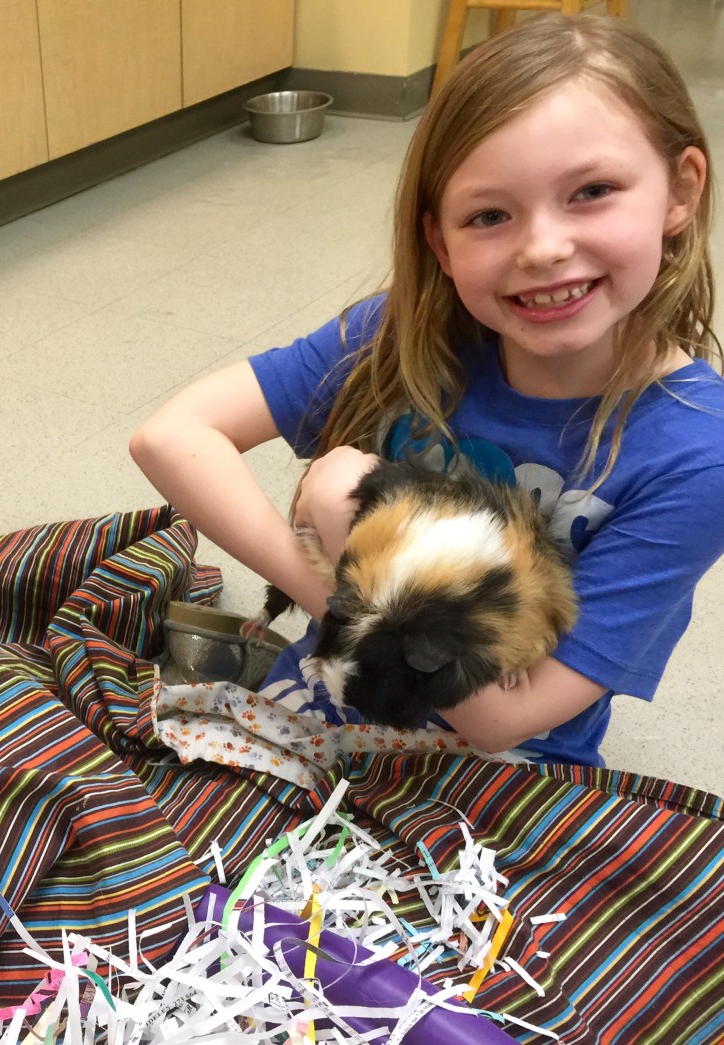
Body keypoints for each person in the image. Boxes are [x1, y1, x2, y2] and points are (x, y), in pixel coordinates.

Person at [130, 13, 724, 767]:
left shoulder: (698, 453)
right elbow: (171, 437)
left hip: (497, 773)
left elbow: (507, 721)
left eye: (593, 191)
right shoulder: (404, 332)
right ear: (440, 241)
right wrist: (344, 607)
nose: (543, 248)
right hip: (318, 703)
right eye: (489, 215)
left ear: (680, 191)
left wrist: (352, 529)